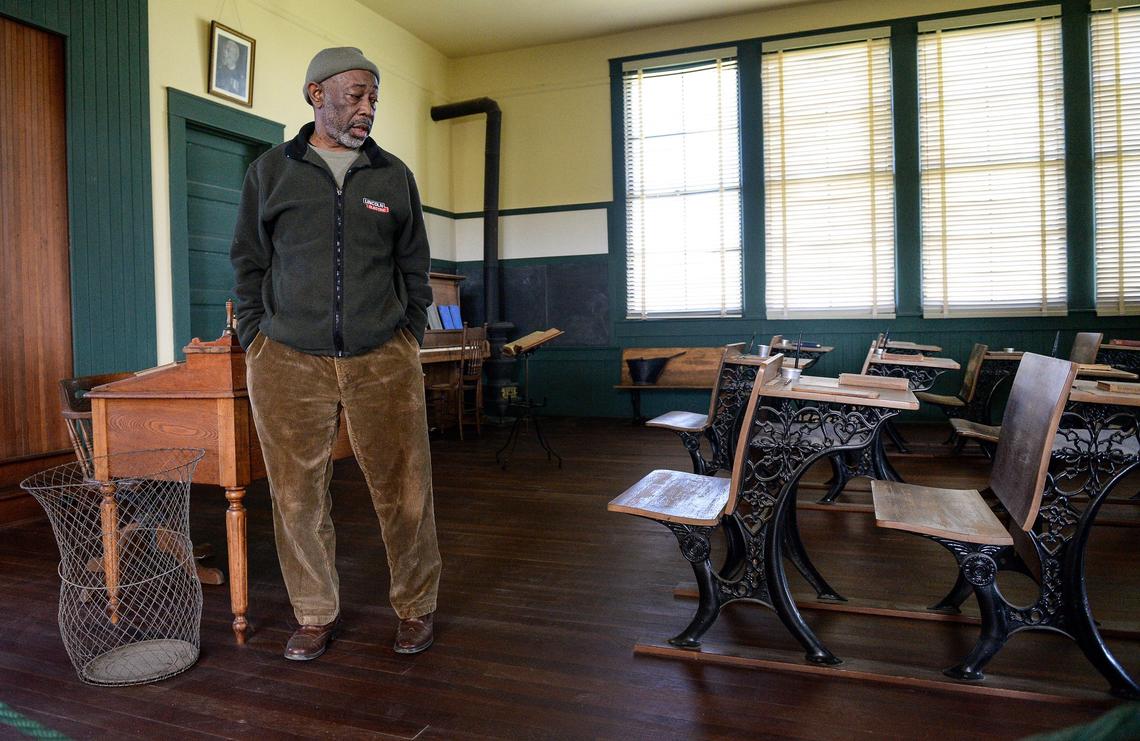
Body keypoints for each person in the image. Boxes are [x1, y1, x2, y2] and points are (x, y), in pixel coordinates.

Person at [229, 46, 440, 661]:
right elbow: (248, 262)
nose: (367, 108)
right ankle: (315, 614)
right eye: (355, 95)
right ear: (315, 95)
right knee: (296, 495)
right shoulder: (271, 172)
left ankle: (416, 607)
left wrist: (408, 333)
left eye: (374, 97)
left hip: (383, 357)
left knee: (406, 489)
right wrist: (255, 337)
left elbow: (415, 266)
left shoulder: (393, 176)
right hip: (287, 359)